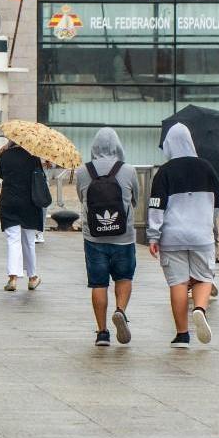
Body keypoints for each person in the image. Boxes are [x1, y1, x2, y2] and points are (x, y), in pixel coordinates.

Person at [147, 123, 219, 348]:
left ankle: (182, 335)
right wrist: (209, 221)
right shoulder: (207, 168)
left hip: (172, 236)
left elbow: (156, 207)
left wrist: (153, 236)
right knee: (204, 277)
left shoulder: (164, 172)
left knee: (177, 283)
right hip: (201, 235)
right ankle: (199, 309)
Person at [74, 128, 140, 347]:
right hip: (124, 236)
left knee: (98, 283)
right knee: (124, 278)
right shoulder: (128, 170)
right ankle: (120, 311)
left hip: (93, 237)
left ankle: (102, 332)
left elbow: (82, 197)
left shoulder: (83, 171)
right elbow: (135, 199)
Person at [0, 140, 45, 292]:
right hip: (29, 202)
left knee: (13, 240)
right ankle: (33, 277)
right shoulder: (33, 156)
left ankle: (13, 278)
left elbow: (0, 173)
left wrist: (2, 151)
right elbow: (39, 176)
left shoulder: (5, 156)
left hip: (9, 201)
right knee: (29, 241)